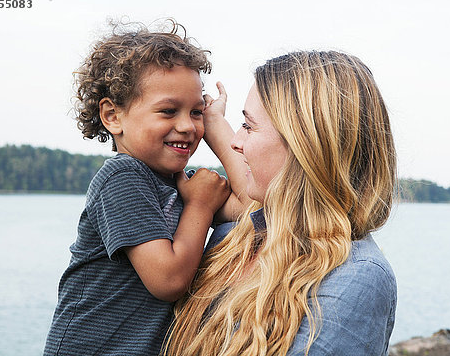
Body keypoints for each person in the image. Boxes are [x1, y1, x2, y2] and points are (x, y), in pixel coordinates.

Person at [166, 50, 397, 356]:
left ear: (306, 144)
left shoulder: (357, 276)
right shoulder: (233, 237)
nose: (236, 141)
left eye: (249, 126)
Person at [43, 21, 230, 356]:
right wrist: (200, 207)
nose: (188, 126)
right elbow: (168, 281)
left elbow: (258, 206)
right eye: (169, 111)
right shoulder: (122, 177)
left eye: (197, 112)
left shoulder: (178, 183)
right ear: (113, 115)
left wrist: (217, 128)